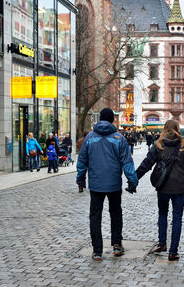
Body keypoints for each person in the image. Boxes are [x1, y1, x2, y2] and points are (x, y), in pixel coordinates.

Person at [76, 108, 138, 261]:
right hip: (114, 184)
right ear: (112, 120)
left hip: (96, 184)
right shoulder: (119, 138)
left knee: (95, 216)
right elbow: (127, 162)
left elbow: (82, 160)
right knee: (116, 214)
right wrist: (132, 181)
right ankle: (116, 245)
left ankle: (97, 250)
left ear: (99, 119)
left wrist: (81, 178)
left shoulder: (89, 137)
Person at [136, 120, 184, 261]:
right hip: (180, 187)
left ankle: (162, 243)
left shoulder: (159, 145)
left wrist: (134, 178)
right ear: (177, 129)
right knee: (177, 218)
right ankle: (173, 252)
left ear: (164, 129)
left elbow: (146, 164)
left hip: (163, 186)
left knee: (162, 214)